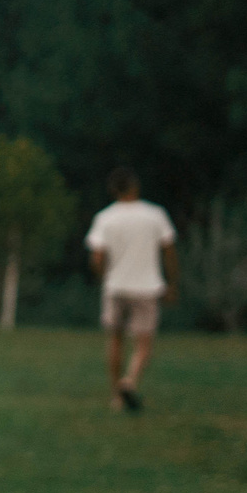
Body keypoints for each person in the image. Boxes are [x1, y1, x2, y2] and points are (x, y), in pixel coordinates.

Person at [86, 168, 178, 412]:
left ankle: (117, 396)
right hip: (147, 286)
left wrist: (104, 277)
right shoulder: (155, 214)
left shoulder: (105, 218)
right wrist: (171, 283)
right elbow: (169, 250)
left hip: (116, 286)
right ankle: (130, 381)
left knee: (115, 340)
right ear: (134, 186)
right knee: (143, 342)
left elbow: (97, 258)